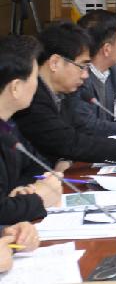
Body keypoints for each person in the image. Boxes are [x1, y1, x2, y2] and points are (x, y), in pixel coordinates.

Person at [12, 22, 116, 166]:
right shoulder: (33, 100)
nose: (85, 75)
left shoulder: (61, 93)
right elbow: (70, 142)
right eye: (82, 66)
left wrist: (64, 160)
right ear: (55, 63)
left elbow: (70, 137)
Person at [0, 36, 62, 225]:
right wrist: (38, 198)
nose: (38, 85)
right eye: (35, 78)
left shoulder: (9, 125)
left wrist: (26, 189)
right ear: (16, 87)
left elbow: (37, 166)